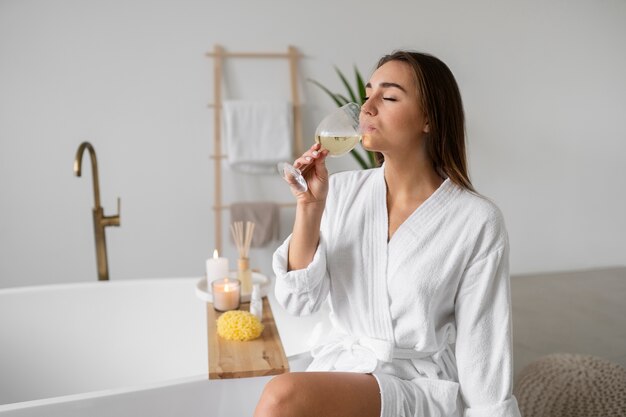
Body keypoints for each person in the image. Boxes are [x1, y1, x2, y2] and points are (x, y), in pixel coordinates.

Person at [254, 51, 521, 417]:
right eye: (367, 95)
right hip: (347, 372)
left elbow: (484, 345)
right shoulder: (343, 191)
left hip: (415, 386)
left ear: (429, 119)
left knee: (282, 397)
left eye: (389, 97)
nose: (367, 108)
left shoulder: (476, 220)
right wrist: (309, 208)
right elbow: (299, 301)